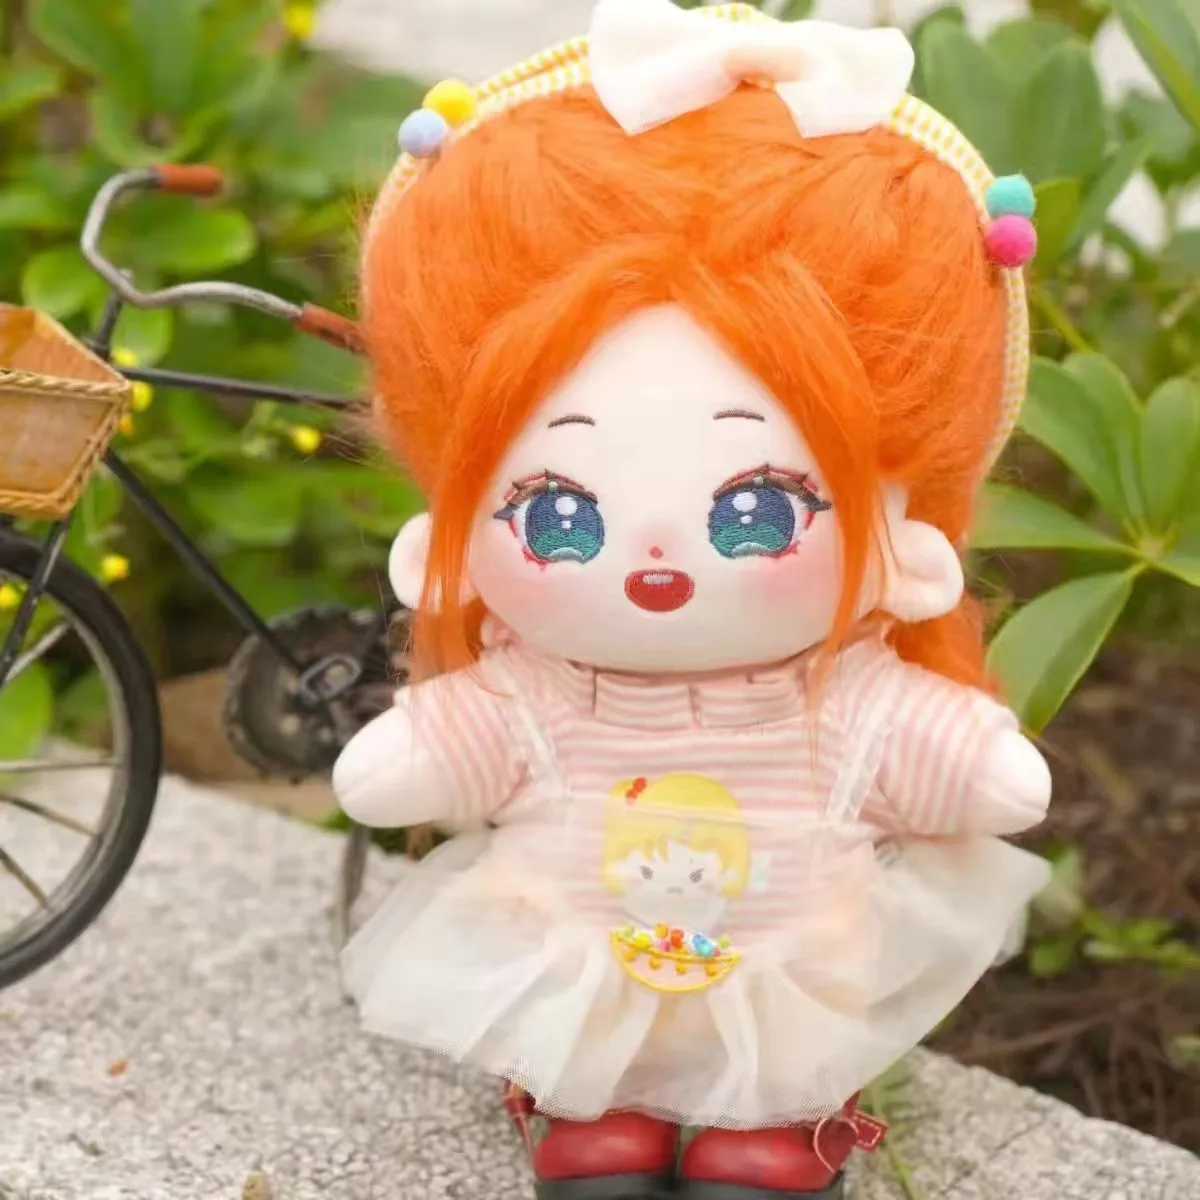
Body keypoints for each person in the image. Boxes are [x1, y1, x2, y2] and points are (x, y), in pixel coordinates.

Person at [334, 2, 1051, 1197]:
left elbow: (961, 764)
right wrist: (415, 753)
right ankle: (593, 1098)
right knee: (596, 1100)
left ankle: (777, 1113)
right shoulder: (539, 691)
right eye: (557, 514)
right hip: (581, 960)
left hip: (790, 974)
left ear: (899, 544)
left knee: (774, 1085)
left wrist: (975, 761)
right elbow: (441, 750)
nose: (655, 562)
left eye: (758, 511)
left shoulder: (843, 696)